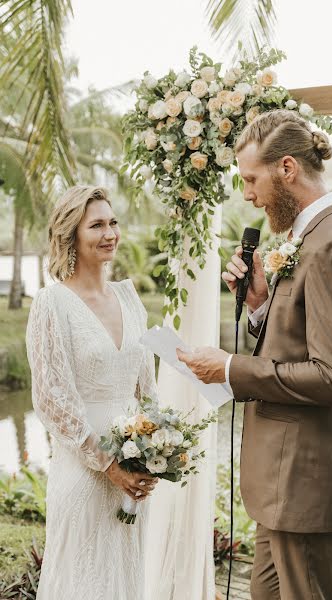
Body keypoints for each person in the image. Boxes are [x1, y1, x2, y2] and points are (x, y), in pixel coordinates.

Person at [177, 109, 332, 599]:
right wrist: (261, 304)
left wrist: (230, 368)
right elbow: (298, 342)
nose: (246, 193)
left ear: (287, 168)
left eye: (251, 179)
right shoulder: (305, 238)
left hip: (305, 486)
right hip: (280, 490)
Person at [26, 186, 158, 599]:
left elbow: (147, 387)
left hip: (132, 472)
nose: (110, 233)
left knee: (125, 577)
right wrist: (107, 465)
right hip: (84, 472)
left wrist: (154, 450)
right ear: (71, 236)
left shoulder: (129, 297)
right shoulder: (52, 304)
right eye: (96, 225)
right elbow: (53, 400)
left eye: (113, 222)